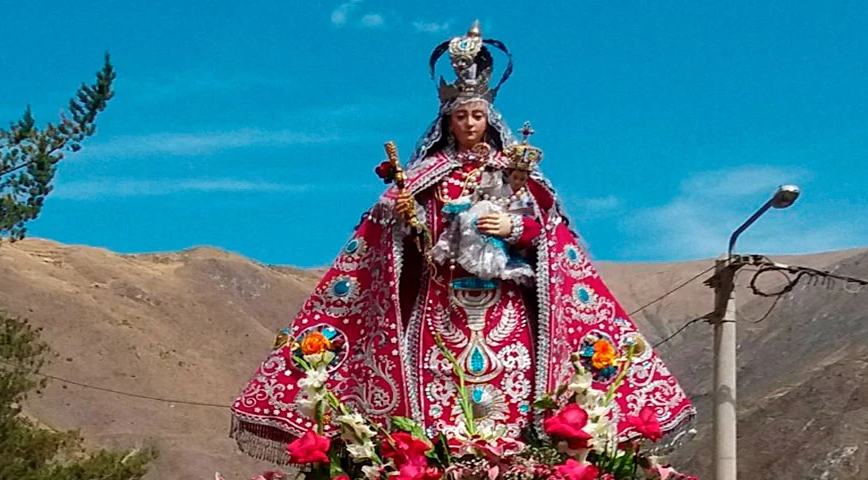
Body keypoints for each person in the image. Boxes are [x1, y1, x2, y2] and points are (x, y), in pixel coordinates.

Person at [230, 22, 696, 461]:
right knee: (438, 402)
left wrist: (513, 230)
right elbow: (392, 243)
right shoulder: (423, 180)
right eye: (461, 116)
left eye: (477, 115)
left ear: (488, 117)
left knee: (510, 398)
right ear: (447, 121)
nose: (470, 124)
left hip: (504, 311)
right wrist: (404, 222)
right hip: (440, 310)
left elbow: (549, 236)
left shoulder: (516, 177)